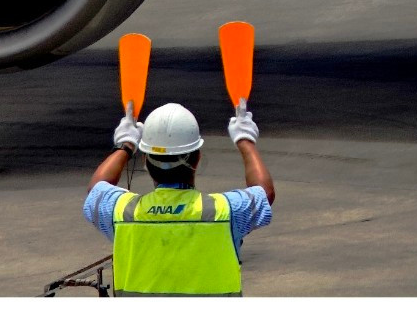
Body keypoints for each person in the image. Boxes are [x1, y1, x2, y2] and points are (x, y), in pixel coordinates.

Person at [83, 100, 275, 295]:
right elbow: (264, 193)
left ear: (145, 162)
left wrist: (125, 146)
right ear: (197, 158)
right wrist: (245, 140)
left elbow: (96, 190)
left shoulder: (122, 213)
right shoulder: (224, 212)